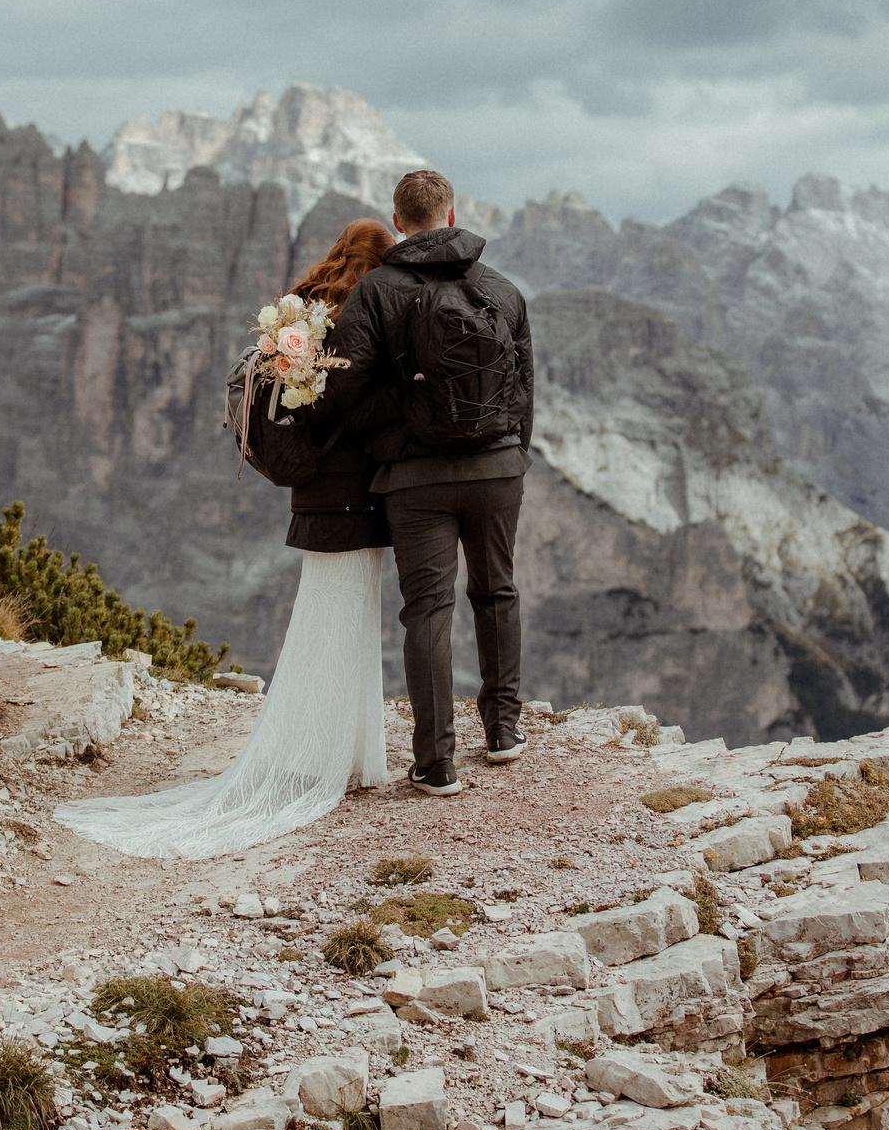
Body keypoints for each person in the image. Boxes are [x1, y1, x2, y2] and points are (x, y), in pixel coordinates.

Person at [52, 219, 397, 858]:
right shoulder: (357, 323)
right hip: (352, 490)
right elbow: (344, 406)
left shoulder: (310, 314)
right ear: (380, 265)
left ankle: (342, 754)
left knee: (330, 614)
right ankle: (322, 761)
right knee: (344, 617)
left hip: (317, 491)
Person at [318, 168, 533, 796]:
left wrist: (395, 421)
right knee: (497, 592)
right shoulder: (502, 288)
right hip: (497, 470)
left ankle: (436, 762)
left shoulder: (378, 291)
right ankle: (503, 731)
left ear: (397, 222)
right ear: (452, 213)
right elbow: (525, 388)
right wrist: (512, 457)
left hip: (414, 480)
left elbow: (340, 389)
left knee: (428, 611)